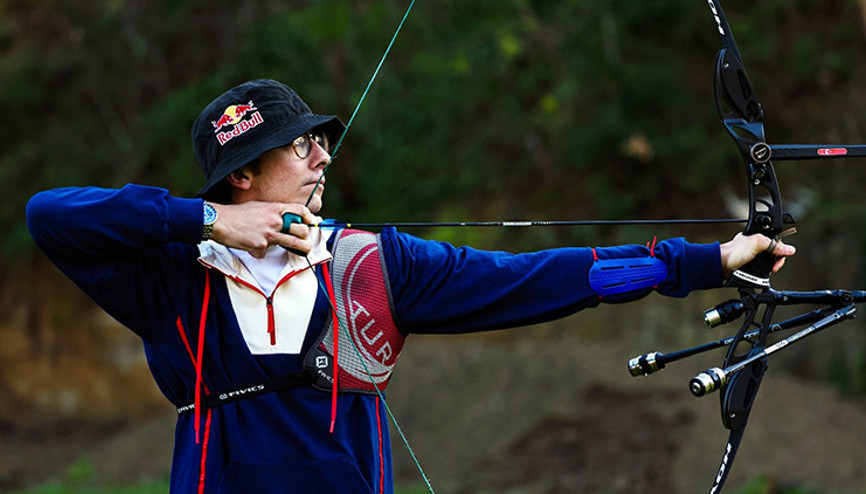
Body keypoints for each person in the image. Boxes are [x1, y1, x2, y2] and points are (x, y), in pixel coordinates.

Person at [26, 79, 794, 494]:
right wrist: (204, 222)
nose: (323, 157)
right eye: (300, 146)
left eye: (321, 141)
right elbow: (50, 216)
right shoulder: (172, 277)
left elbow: (545, 277)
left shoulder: (374, 265)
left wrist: (708, 260)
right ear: (245, 176)